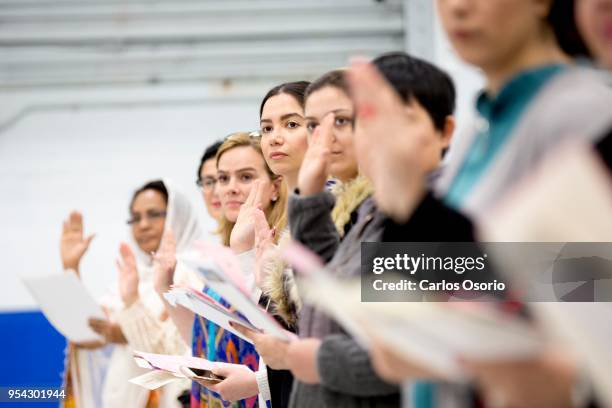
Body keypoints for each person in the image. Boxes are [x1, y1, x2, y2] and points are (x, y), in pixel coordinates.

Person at [154, 132, 287, 407]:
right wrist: (162, 286)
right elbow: (203, 338)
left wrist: (260, 382)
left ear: (276, 186)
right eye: (222, 178)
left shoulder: (282, 248)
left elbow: (281, 340)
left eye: (246, 177)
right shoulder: (223, 254)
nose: (228, 188)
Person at [61, 179, 202, 408]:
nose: (143, 225)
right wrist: (71, 268)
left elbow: (178, 345)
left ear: (177, 215)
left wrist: (124, 331)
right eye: (135, 218)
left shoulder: (195, 273)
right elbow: (89, 331)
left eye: (154, 214)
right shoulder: (131, 277)